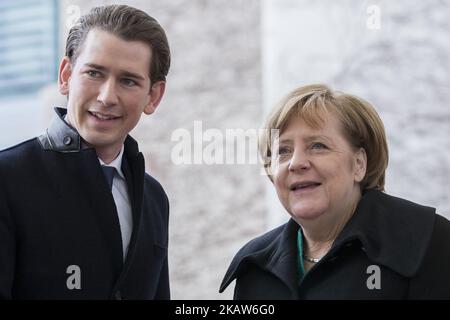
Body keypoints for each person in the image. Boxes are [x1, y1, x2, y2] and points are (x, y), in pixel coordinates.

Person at [0, 5, 171, 299]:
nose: (106, 97)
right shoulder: (7, 180)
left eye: (128, 81)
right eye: (94, 73)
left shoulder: (154, 199)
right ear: (66, 75)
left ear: (153, 96)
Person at [220, 84, 450, 299]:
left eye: (318, 146)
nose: (296, 162)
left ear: (359, 164)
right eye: (283, 151)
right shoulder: (254, 269)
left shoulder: (429, 241)